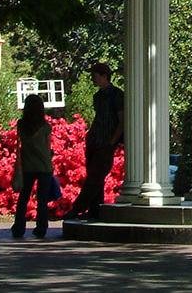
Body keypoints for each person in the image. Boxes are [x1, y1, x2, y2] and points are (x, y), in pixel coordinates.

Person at [65, 62, 122, 219]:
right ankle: (94, 211)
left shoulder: (117, 95)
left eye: (94, 75)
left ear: (104, 76)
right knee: (96, 178)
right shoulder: (97, 97)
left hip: (106, 143)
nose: (92, 79)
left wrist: (112, 142)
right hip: (94, 141)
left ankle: (77, 209)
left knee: (95, 178)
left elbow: (121, 120)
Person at [11, 93, 55, 238]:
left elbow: (20, 144)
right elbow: (47, 147)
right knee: (42, 200)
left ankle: (19, 228)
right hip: (44, 166)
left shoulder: (21, 125)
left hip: (27, 166)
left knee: (23, 198)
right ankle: (41, 228)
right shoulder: (46, 127)